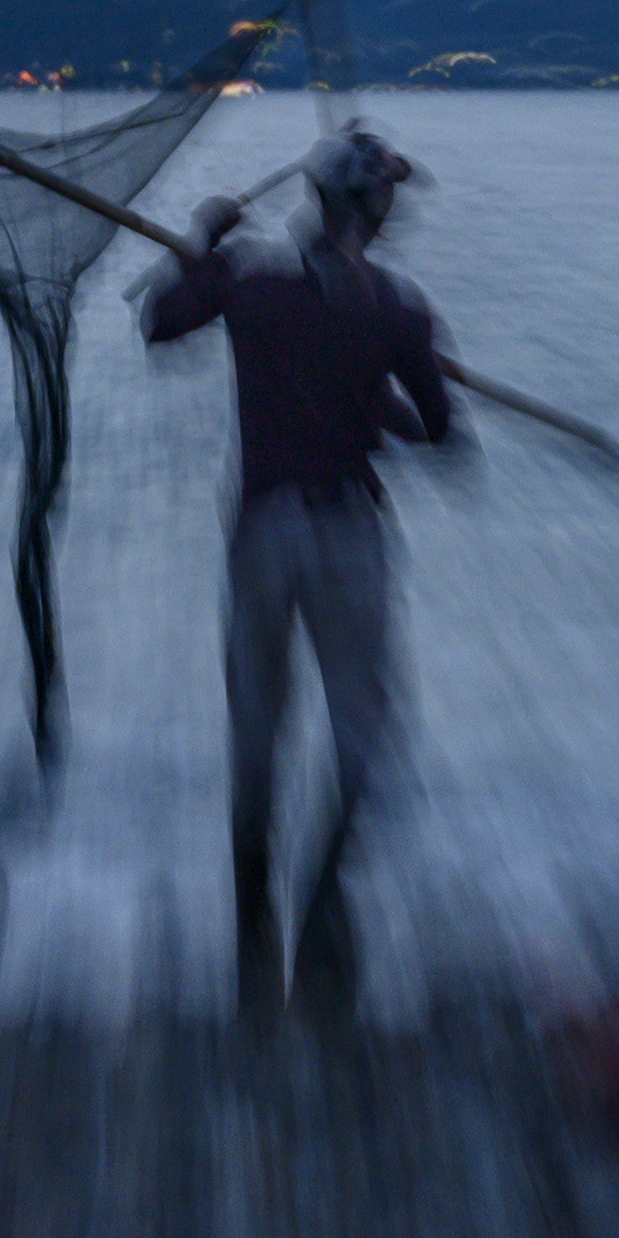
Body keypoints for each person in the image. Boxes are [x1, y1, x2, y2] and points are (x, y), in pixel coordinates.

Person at [144, 126, 455, 1015]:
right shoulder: (398, 311)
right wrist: (382, 398)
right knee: (362, 736)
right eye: (387, 201)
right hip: (349, 531)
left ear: (316, 203)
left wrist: (201, 242)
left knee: (256, 730)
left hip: (263, 534)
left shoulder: (248, 283)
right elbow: (441, 433)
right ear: (374, 212)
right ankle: (319, 913)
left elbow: (160, 324)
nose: (389, 213)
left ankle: (252, 925)